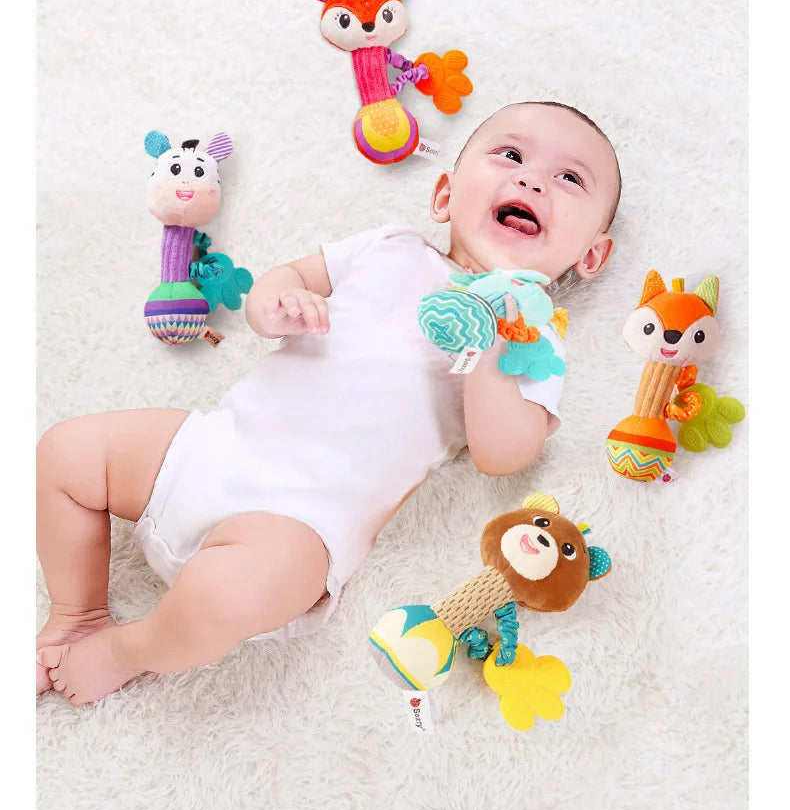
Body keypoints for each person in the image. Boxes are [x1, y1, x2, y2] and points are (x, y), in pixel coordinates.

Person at [36, 100, 621, 705]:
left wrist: (493, 346)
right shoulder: (391, 246)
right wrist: (278, 305)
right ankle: (76, 616)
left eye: (569, 178)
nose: (531, 181)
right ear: (445, 195)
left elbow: (506, 454)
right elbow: (285, 278)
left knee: (221, 600)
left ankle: (124, 651)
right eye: (511, 155)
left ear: (592, 256)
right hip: (215, 444)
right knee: (65, 453)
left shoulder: (536, 340)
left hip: (297, 524)